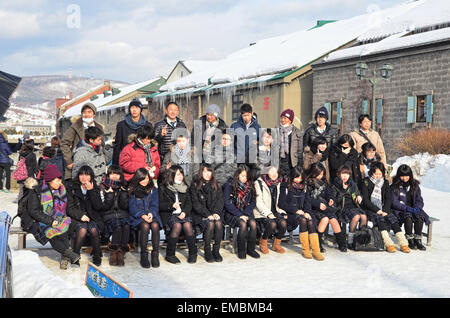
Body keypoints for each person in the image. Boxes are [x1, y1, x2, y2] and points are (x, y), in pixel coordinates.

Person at [26, 164, 80, 270]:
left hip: (59, 218)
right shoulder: (37, 191)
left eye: (60, 180)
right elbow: (33, 211)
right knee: (51, 233)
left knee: (64, 228)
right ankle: (69, 254)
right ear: (49, 180)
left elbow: (68, 207)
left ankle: (65, 257)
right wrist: (50, 221)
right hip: (40, 221)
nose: (60, 183)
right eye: (57, 180)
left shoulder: (62, 189)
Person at [361, 162, 410, 253]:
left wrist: (385, 211)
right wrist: (377, 210)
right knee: (380, 219)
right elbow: (366, 200)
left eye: (380, 174)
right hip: (370, 209)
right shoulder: (366, 182)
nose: (378, 176)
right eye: (376, 174)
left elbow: (388, 198)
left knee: (392, 219)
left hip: (383, 208)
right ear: (371, 172)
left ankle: (403, 243)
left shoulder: (385, 182)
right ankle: (388, 243)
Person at [279, 167, 325, 260]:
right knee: (303, 220)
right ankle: (306, 249)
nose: (298, 180)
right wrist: (295, 210)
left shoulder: (304, 187)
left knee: (310, 220)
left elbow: (307, 202)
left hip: (303, 212)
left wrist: (307, 212)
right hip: (290, 213)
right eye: (296, 177)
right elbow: (281, 203)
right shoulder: (286, 186)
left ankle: (316, 250)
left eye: (300, 178)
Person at [158, 165, 198, 264]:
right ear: (171, 176)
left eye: (181, 174)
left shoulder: (185, 187)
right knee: (177, 225)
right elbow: (159, 204)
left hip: (183, 214)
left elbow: (189, 203)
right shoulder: (163, 187)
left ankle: (193, 253)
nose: (180, 177)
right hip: (169, 214)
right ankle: (170, 254)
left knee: (187, 225)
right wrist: (171, 205)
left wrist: (184, 212)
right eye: (177, 175)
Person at [68, 165, 105, 266]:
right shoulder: (72, 188)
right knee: (82, 230)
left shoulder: (96, 188)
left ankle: (97, 254)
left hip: (93, 217)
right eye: (81, 174)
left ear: (91, 177)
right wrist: (80, 215)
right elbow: (70, 208)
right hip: (77, 218)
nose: (84, 177)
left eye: (87, 175)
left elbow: (98, 207)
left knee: (94, 230)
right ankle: (75, 255)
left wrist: (91, 191)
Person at [306, 163, 347, 253]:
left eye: (322, 174)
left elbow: (329, 193)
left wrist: (330, 199)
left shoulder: (324, 183)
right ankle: (318, 243)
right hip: (313, 209)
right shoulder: (308, 183)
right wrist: (317, 204)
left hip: (325, 207)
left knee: (333, 220)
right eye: (318, 174)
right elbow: (307, 199)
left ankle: (341, 243)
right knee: (324, 219)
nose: (320, 176)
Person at [223, 165, 260, 259]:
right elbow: (227, 203)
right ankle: (241, 250)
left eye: (246, 176)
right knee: (242, 224)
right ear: (238, 175)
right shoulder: (229, 185)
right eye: (242, 176)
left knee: (253, 224)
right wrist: (240, 215)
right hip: (232, 213)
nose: (244, 178)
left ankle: (251, 249)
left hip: (246, 211)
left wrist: (246, 213)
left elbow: (253, 201)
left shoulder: (250, 185)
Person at [190, 164, 224, 263]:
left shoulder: (216, 184)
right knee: (210, 223)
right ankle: (207, 249)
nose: (207, 174)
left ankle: (216, 250)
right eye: (204, 172)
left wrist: (216, 212)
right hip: (199, 214)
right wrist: (207, 214)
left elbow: (220, 201)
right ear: (201, 172)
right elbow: (196, 203)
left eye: (209, 171)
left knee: (218, 222)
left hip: (213, 213)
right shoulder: (195, 185)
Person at [128, 167, 162, 268]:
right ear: (137, 179)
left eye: (147, 178)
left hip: (151, 214)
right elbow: (132, 207)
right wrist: (142, 215)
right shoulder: (132, 190)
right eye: (142, 179)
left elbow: (155, 204)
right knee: (145, 226)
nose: (145, 181)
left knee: (155, 225)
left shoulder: (152, 189)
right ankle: (144, 254)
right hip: (138, 216)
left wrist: (151, 213)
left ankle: (155, 254)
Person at [391, 164, 430, 251]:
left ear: (410, 175)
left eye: (406, 176)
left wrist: (418, 208)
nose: (404, 178)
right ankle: (409, 238)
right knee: (408, 218)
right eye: (402, 176)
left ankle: (417, 239)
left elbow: (419, 199)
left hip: (413, 207)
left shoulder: (414, 185)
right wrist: (407, 208)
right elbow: (394, 202)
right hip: (401, 209)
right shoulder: (395, 186)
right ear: (399, 176)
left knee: (420, 217)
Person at [61, 102, 103, 181]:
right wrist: (69, 161)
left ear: (94, 114)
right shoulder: (75, 126)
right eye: (84, 112)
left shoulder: (99, 127)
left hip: (94, 164)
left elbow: (101, 145)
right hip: (78, 162)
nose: (86, 114)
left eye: (89, 112)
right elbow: (64, 143)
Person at [99, 165, 130, 266]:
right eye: (112, 174)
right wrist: (109, 195)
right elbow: (103, 207)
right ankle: (113, 253)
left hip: (122, 214)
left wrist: (124, 193)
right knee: (118, 227)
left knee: (126, 226)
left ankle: (121, 252)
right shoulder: (103, 186)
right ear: (108, 175)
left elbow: (125, 206)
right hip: (108, 215)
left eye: (117, 174)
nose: (114, 176)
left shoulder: (124, 186)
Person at [331, 165, 368, 249]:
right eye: (343, 174)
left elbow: (357, 192)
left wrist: (359, 196)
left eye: (347, 174)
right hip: (342, 208)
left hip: (353, 206)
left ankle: (360, 239)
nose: (345, 176)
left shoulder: (352, 184)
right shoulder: (336, 184)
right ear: (339, 174)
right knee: (356, 216)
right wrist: (343, 190)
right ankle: (350, 240)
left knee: (364, 216)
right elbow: (335, 200)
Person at [253, 166, 288, 254]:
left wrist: (282, 211)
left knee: (283, 223)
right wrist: (268, 213)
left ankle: (276, 244)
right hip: (261, 212)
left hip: (274, 211)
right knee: (271, 223)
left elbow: (279, 201)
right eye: (271, 172)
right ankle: (263, 242)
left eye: (276, 172)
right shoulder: (259, 183)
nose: (274, 175)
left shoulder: (278, 183)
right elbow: (258, 202)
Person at [113, 98, 152, 165]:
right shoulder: (122, 125)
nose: (134, 110)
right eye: (132, 107)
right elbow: (117, 146)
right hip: (127, 160)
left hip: (143, 160)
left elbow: (150, 144)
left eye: (137, 107)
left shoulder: (147, 125)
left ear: (140, 109)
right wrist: (115, 165)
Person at [278, 109, 303, 178]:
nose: (283, 120)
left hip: (292, 163)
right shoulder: (276, 130)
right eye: (282, 118)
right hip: (280, 162)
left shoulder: (297, 132)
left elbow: (300, 150)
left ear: (290, 120)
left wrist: (300, 166)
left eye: (285, 118)